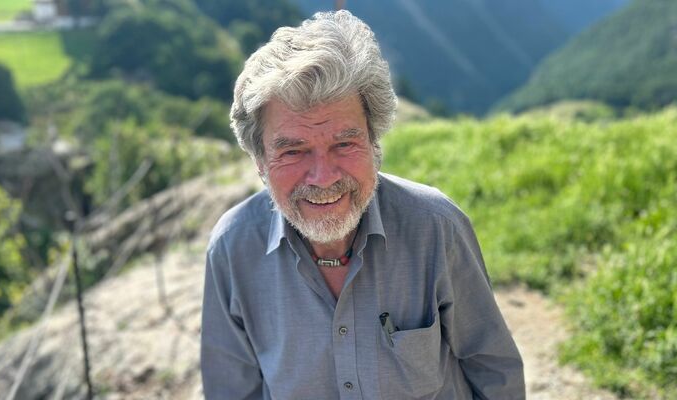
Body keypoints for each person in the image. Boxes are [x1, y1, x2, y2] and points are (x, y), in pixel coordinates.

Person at [201, 10, 525, 399]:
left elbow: (493, 369)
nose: (323, 177)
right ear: (260, 163)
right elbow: (231, 392)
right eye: (294, 151)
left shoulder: (435, 227)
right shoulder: (233, 249)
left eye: (344, 143)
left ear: (375, 144)